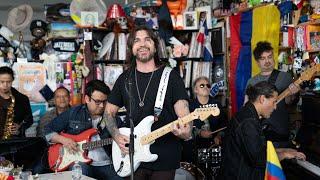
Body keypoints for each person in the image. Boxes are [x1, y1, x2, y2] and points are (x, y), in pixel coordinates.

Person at [104, 26, 192, 180]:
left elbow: (184, 113)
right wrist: (116, 135)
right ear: (132, 48)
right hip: (132, 157)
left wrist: (186, 131)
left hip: (164, 157)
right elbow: (108, 112)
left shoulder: (171, 77)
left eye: (147, 39)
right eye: (137, 40)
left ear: (155, 46)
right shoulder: (124, 79)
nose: (142, 44)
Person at [219, 81, 306, 180]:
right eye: (274, 102)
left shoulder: (246, 113)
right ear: (262, 99)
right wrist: (285, 154)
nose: (275, 107)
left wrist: (282, 150)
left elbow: (254, 149)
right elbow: (259, 159)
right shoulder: (249, 122)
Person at [44, 80, 121, 180]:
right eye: (97, 102)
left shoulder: (112, 117)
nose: (102, 106)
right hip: (79, 163)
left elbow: (124, 137)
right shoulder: (73, 113)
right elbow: (48, 131)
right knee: (81, 172)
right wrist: (64, 140)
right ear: (87, 98)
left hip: (106, 164)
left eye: (104, 101)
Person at [244, 41, 300, 148]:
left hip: (280, 131)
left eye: (269, 57)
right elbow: (246, 107)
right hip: (258, 132)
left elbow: (289, 102)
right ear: (257, 62)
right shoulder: (251, 82)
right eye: (263, 58)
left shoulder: (285, 77)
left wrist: (293, 94)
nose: (267, 61)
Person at [182, 76, 226, 163]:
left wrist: (219, 136)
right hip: (195, 148)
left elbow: (224, 125)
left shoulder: (217, 104)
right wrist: (200, 133)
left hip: (214, 146)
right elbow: (185, 127)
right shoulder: (190, 106)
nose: (206, 87)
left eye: (208, 85)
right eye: (202, 85)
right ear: (195, 90)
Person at [32, 86, 70, 174]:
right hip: (50, 151)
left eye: (65, 96)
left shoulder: (77, 113)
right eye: (58, 97)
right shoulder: (47, 117)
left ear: (69, 98)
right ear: (54, 100)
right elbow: (41, 137)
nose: (62, 99)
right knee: (37, 170)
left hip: (72, 149)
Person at [0, 66, 33, 139]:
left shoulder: (22, 99)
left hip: (15, 142)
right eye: (2, 82)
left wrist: (20, 127)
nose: (5, 85)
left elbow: (29, 120)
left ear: (12, 80)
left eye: (8, 82)